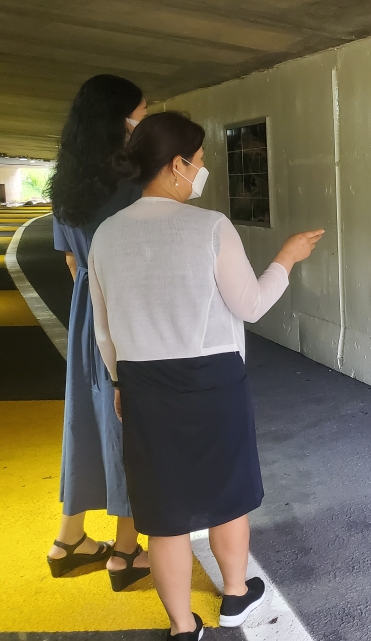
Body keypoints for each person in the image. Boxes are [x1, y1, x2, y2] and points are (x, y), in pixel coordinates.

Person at [89, 111, 324, 640]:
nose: (202, 170)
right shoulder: (210, 227)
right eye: (198, 161)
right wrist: (287, 257)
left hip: (144, 383)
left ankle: (180, 626)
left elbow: (103, 331)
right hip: (213, 379)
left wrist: (121, 383)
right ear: (176, 166)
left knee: (163, 511)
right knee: (227, 493)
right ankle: (235, 596)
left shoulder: (106, 235)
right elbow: (253, 305)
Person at [46, 74, 150, 591]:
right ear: (120, 121)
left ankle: (69, 540)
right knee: (127, 424)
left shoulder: (66, 183)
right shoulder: (133, 182)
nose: (143, 124)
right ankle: (126, 551)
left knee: (83, 422)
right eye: (140, 114)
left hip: (87, 306)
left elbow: (71, 262)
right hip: (126, 309)